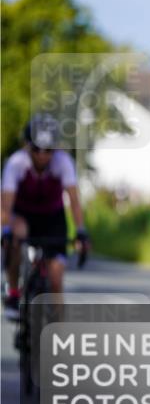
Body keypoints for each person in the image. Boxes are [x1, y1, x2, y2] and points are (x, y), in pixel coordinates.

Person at [1, 115, 90, 318]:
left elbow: (74, 201)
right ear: (27, 146)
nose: (42, 155)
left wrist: (81, 231)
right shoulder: (16, 163)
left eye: (48, 150)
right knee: (16, 235)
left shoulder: (63, 162)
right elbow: (5, 205)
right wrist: (5, 232)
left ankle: (58, 331)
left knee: (56, 277)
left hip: (52, 218)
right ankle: (14, 292)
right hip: (23, 215)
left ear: (55, 149)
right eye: (36, 149)